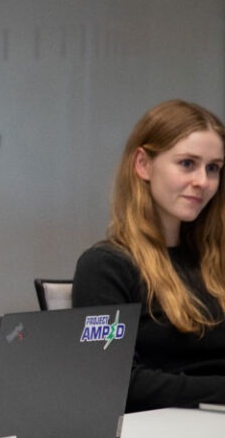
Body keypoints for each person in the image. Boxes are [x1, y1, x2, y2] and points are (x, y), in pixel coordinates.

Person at [73, 99, 225, 412]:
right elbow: (114, 380)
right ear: (143, 164)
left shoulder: (215, 260)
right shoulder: (107, 266)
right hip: (162, 437)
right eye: (187, 163)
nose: (203, 181)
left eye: (213, 168)